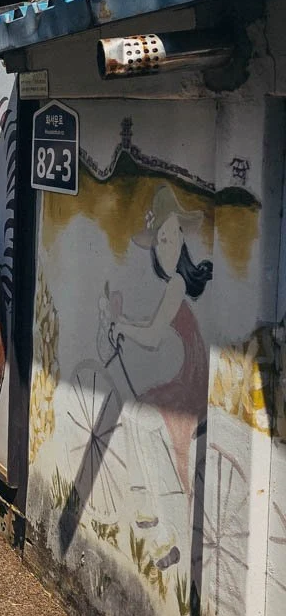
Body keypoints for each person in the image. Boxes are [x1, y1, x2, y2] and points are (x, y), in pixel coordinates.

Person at [108, 184, 212, 568]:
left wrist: (124, 327)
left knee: (140, 417)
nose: (165, 247)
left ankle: (161, 522)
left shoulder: (178, 285)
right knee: (141, 417)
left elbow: (152, 336)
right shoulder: (173, 286)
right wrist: (127, 324)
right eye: (160, 240)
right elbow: (152, 327)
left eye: (170, 238)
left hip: (190, 378)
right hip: (184, 370)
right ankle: (156, 517)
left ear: (182, 240)